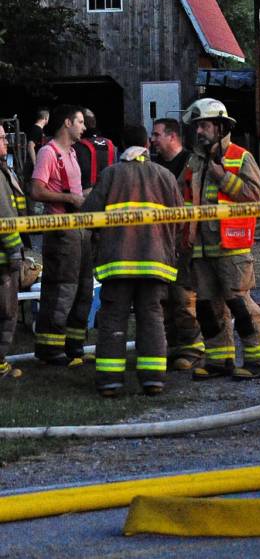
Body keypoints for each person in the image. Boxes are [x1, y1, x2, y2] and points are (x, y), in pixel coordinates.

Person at [82, 125, 183, 397]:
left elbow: (88, 216)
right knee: (152, 316)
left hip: (117, 263)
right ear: (146, 146)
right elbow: (181, 219)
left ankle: (110, 381)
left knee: (113, 319)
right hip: (155, 262)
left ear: (121, 146)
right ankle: (153, 380)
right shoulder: (165, 176)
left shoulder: (110, 175)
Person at [180, 98, 260, 380]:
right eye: (196, 127)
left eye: (204, 125)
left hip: (232, 244)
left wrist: (223, 178)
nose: (199, 132)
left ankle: (259, 361)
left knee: (239, 303)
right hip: (202, 247)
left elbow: (255, 196)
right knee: (208, 306)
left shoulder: (241, 157)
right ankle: (220, 360)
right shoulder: (194, 161)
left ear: (220, 127)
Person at [29, 105, 92, 366]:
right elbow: (36, 190)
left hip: (81, 228)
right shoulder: (47, 153)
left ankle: (74, 347)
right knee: (61, 288)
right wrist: (69, 198)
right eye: (80, 122)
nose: (84, 127)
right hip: (61, 231)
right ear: (67, 123)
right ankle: (50, 350)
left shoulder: (74, 153)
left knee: (83, 288)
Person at [151, 117, 214, 370]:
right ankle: (171, 346)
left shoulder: (191, 164)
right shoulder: (154, 166)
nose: (152, 140)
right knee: (161, 296)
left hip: (186, 239)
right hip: (161, 240)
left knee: (183, 295)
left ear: (172, 137)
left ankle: (192, 348)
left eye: (156, 135)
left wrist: (189, 236)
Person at [0, 123, 26, 380]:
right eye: (1, 138)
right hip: (3, 258)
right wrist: (15, 252)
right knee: (6, 311)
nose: (6, 142)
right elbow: (6, 216)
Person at [74, 108, 116, 189]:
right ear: (95, 123)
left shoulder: (76, 146)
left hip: (84, 196)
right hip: (109, 195)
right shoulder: (111, 144)